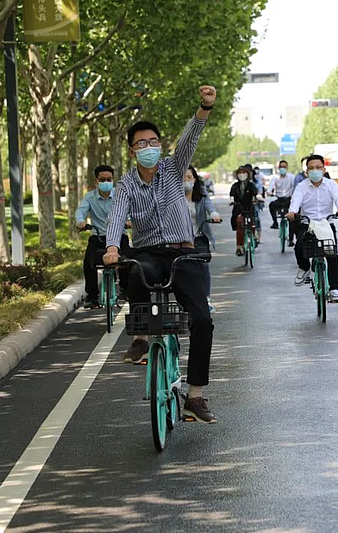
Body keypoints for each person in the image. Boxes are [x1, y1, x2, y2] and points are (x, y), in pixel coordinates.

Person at [103, 85, 218, 423]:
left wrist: (204, 108)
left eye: (153, 142)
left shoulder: (173, 167)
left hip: (183, 252)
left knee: (202, 320)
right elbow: (116, 216)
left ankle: (194, 396)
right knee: (135, 269)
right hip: (150, 253)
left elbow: (189, 139)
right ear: (132, 151)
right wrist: (112, 248)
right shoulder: (126, 185)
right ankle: (140, 339)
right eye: (142, 144)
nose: (149, 148)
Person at [286, 154, 338, 302]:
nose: (315, 170)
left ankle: (334, 289)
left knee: (332, 255)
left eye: (318, 167)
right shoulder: (301, 186)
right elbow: (295, 202)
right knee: (299, 247)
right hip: (307, 224)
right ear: (306, 171)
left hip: (326, 224)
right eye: (311, 168)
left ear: (324, 169)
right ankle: (304, 268)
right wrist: (292, 212)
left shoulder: (331, 185)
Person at [75, 164, 130, 309]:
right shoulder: (89, 197)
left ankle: (125, 289)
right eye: (102, 179)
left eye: (109, 179)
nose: (106, 182)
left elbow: (130, 210)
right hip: (98, 237)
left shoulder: (120, 195)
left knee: (128, 260)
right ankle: (92, 296)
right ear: (96, 181)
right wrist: (80, 222)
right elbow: (80, 211)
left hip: (119, 236)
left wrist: (129, 221)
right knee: (88, 262)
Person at [184, 165, 221, 311]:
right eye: (183, 178)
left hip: (198, 237)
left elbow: (210, 207)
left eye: (189, 177)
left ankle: (206, 299)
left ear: (194, 179)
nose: (186, 181)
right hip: (180, 239)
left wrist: (214, 214)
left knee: (203, 266)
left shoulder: (202, 196)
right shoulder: (173, 197)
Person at [229, 165, 260, 256]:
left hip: (249, 207)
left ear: (247, 174)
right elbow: (232, 195)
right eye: (240, 173)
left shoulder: (251, 185)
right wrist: (231, 200)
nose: (242, 175)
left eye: (244, 173)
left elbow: (256, 193)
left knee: (252, 222)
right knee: (239, 223)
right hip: (238, 208)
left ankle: (254, 235)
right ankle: (239, 246)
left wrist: (258, 198)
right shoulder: (235, 186)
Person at [268, 160, 295, 242]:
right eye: (281, 167)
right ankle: (275, 222)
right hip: (279, 199)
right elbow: (270, 187)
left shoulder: (291, 177)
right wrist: (269, 192)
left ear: (287, 168)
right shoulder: (275, 177)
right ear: (278, 168)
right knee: (271, 205)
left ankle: (291, 239)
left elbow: (295, 187)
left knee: (291, 218)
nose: (282, 168)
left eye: (284, 167)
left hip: (288, 200)